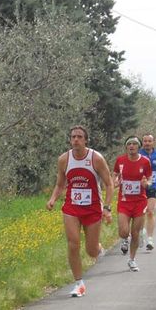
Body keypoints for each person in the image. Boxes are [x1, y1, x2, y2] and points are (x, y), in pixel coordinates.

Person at [46, 125, 114, 297]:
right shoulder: (64, 159)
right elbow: (60, 184)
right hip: (72, 208)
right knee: (73, 244)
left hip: (92, 208)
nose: (75, 139)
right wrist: (53, 199)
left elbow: (109, 184)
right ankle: (79, 283)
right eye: (73, 137)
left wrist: (106, 207)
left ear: (85, 140)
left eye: (79, 137)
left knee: (91, 251)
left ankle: (97, 248)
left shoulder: (95, 158)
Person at [113, 136, 152, 272]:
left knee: (135, 232)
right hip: (124, 202)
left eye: (134, 144)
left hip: (139, 201)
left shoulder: (145, 162)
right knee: (123, 231)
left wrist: (146, 184)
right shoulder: (120, 160)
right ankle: (125, 238)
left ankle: (132, 259)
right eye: (129, 144)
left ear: (139, 146)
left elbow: (150, 179)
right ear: (126, 146)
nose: (131, 146)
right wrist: (115, 182)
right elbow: (115, 174)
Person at [139, 134, 156, 251]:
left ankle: (150, 239)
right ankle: (140, 231)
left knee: (150, 211)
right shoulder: (138, 154)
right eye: (145, 141)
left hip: (153, 185)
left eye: (149, 141)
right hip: (140, 187)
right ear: (142, 142)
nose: (147, 143)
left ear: (153, 142)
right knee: (139, 213)